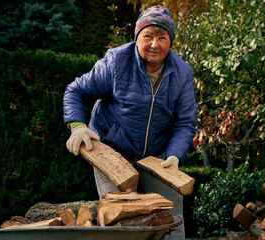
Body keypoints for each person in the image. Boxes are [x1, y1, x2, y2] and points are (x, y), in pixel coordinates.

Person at [63, 5, 196, 239]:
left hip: (156, 154)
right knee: (120, 215)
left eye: (162, 37)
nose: (155, 44)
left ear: (170, 41)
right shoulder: (116, 62)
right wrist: (77, 125)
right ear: (137, 37)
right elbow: (75, 91)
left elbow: (184, 122)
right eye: (148, 36)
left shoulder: (182, 72)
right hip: (111, 149)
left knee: (170, 212)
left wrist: (174, 156)